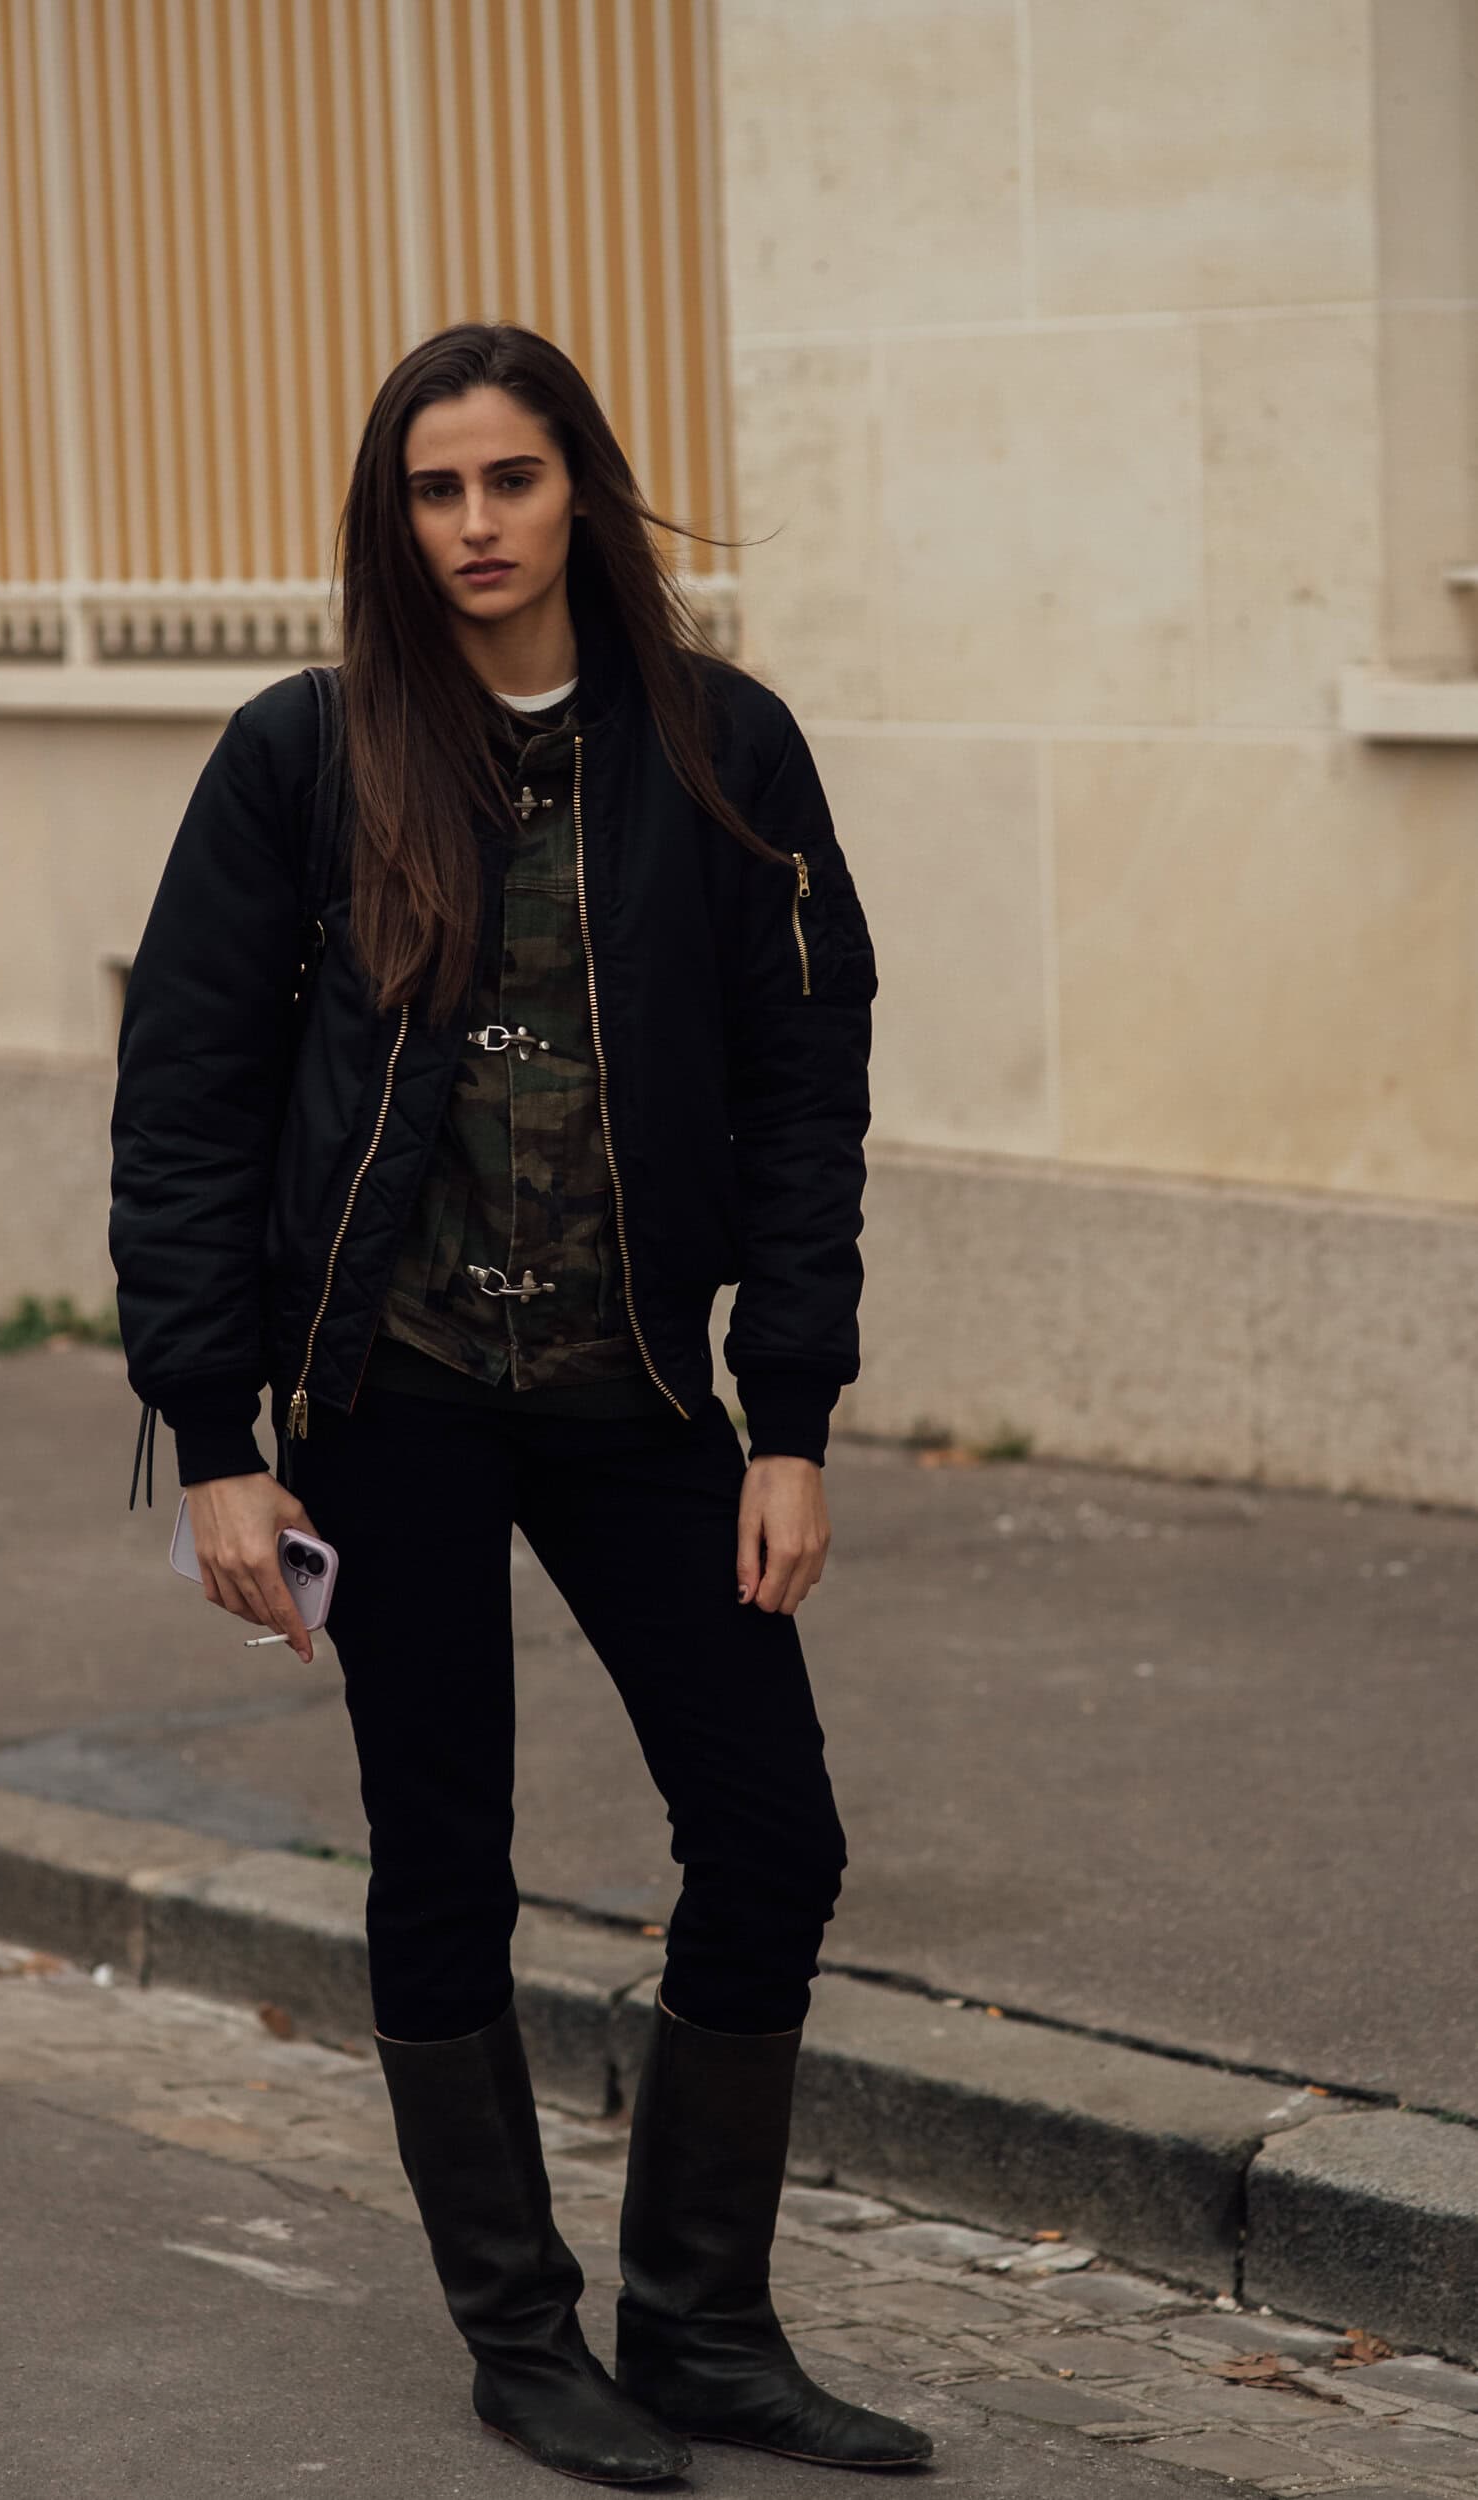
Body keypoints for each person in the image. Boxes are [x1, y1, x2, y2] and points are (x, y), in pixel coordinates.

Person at [109, 323, 928, 2485]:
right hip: (393, 1391)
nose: (475, 524)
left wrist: (790, 1414)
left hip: (640, 1382)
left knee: (773, 1832)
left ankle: (703, 2324)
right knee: (442, 1851)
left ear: (584, 493)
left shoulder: (723, 745)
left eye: (512, 479)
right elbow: (184, 1099)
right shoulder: (308, 756)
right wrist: (216, 1439)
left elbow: (807, 1092)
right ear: (394, 518)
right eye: (434, 489)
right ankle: (521, 2337)